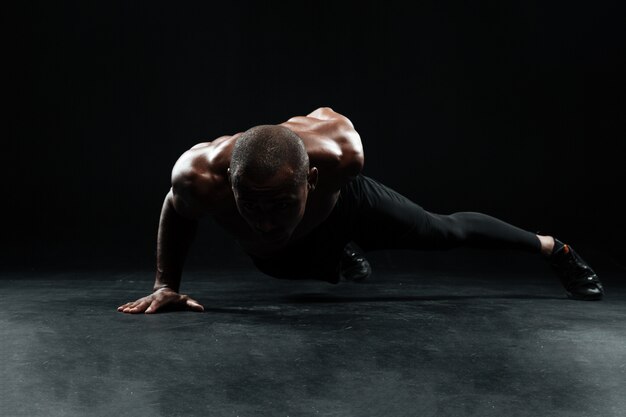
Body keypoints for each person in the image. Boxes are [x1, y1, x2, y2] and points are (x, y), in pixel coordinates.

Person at [117, 107, 604, 314]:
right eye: (252, 206)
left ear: (311, 179)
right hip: (283, 256)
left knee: (443, 232)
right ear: (230, 186)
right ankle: (336, 258)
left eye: (280, 205)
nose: (264, 219)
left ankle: (553, 248)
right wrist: (166, 286)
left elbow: (326, 115)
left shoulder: (340, 156)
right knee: (296, 267)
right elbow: (174, 208)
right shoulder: (199, 176)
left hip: (348, 210)